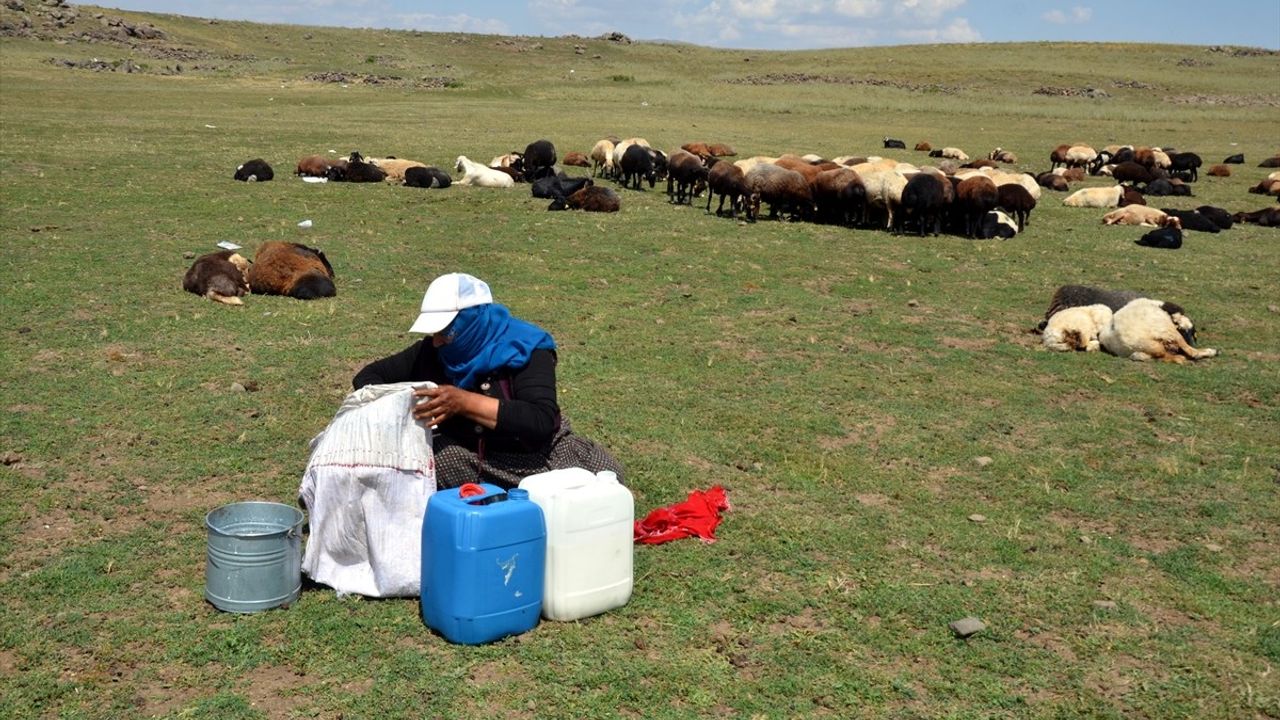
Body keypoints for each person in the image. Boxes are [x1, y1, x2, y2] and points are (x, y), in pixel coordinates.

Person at [353, 272, 624, 489]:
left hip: (537, 456)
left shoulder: (526, 348)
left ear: (471, 321)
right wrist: (410, 401)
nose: (436, 341)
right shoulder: (431, 351)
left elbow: (539, 420)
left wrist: (463, 402)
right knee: (440, 461)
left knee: (606, 476)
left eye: (445, 332)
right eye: (433, 332)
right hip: (475, 460)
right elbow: (367, 378)